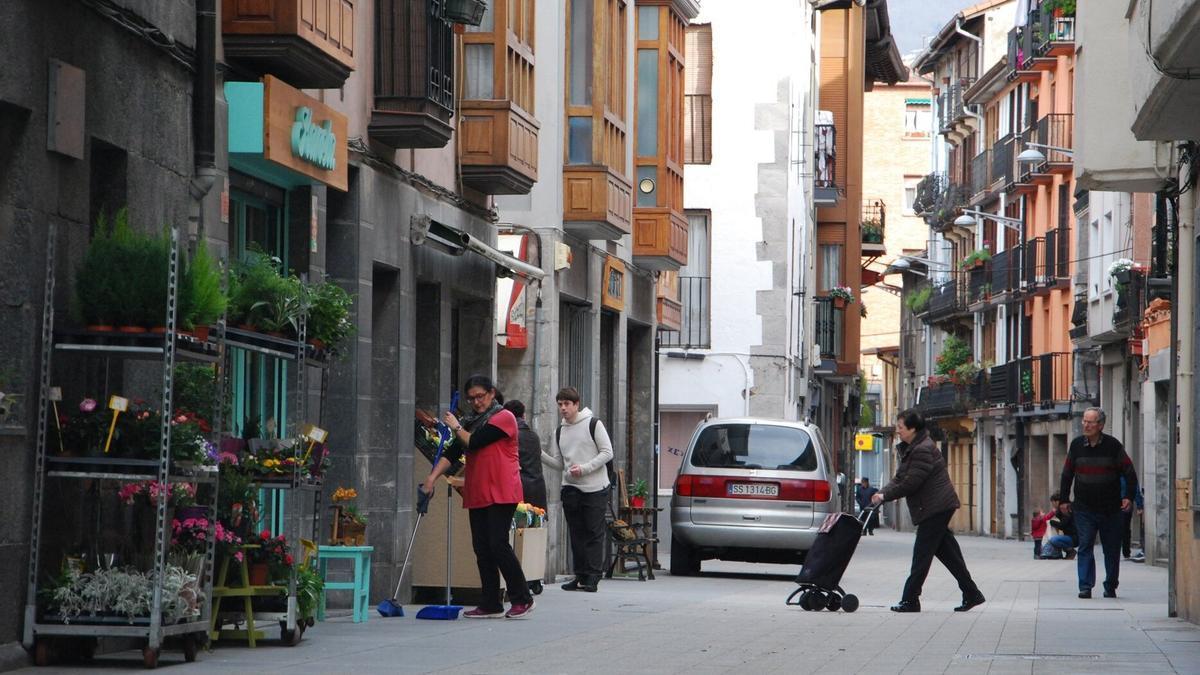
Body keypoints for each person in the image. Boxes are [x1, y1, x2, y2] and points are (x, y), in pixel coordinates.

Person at [422, 375, 535, 619]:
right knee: (482, 547)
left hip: (502, 490)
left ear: (492, 393)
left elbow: (475, 442)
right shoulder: (471, 421)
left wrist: (456, 427)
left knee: (498, 544)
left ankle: (522, 597)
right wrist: (431, 479)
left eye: (480, 397)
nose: (476, 402)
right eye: (471, 398)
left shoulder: (503, 418)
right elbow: (453, 452)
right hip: (479, 491)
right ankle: (491, 602)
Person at [871, 409, 985, 613]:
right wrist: (882, 493)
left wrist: (885, 496)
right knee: (949, 555)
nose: (898, 431)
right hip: (937, 506)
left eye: (900, 427)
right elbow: (900, 478)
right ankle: (972, 593)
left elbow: (911, 483)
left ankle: (910, 600)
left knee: (921, 555)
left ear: (913, 428)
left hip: (935, 508)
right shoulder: (912, 447)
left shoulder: (922, 449)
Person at [542, 386, 614, 592]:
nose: (563, 408)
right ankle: (580, 575)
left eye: (567, 404)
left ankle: (592, 577)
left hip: (595, 488)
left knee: (593, 532)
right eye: (560, 404)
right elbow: (559, 463)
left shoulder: (593, 424)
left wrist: (584, 468)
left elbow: (607, 452)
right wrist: (540, 455)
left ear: (576, 404)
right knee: (576, 534)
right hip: (571, 488)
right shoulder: (560, 431)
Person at [1061, 407, 1138, 599]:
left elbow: (1129, 472)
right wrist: (1063, 499)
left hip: (1111, 509)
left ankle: (1110, 585)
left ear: (1100, 425)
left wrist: (1128, 496)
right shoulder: (1076, 445)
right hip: (1084, 508)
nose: (1085, 425)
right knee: (1085, 545)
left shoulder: (1113, 446)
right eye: (1084, 421)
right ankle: (1085, 586)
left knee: (1111, 548)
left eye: (1090, 422)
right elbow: (1067, 474)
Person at [503, 399, 548, 510]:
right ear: (523, 415)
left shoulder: (508, 437)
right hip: (537, 489)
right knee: (534, 525)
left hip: (517, 492)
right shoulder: (534, 436)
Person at [1120, 475, 1144, 560]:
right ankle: (1125, 552)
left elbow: (1135, 489)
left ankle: (1126, 552)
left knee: (1124, 529)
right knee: (1124, 529)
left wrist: (1139, 505)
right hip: (1121, 504)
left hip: (1124, 504)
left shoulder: (1126, 475)